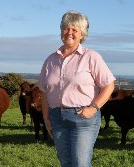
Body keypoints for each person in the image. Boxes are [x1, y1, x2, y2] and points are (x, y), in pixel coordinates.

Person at [38, 11, 115, 167]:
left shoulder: (91, 57)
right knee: (65, 162)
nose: (69, 33)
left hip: (83, 118)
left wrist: (93, 107)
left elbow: (108, 85)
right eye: (66, 28)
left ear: (82, 34)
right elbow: (45, 91)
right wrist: (46, 118)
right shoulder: (50, 60)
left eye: (75, 30)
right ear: (61, 31)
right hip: (57, 118)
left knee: (81, 163)